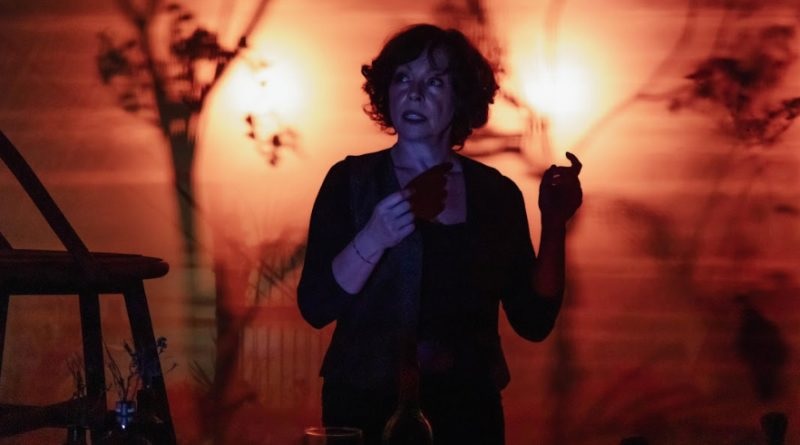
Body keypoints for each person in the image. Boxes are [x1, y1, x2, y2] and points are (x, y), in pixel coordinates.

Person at [297, 23, 582, 445]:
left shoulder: (494, 193)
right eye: (402, 78)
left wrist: (554, 224)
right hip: (365, 405)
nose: (413, 94)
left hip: (467, 411)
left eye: (434, 82)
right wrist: (375, 235)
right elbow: (316, 305)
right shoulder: (351, 181)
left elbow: (533, 319)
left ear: (459, 98)